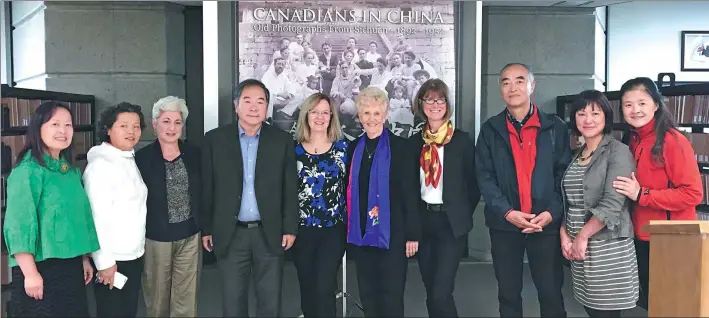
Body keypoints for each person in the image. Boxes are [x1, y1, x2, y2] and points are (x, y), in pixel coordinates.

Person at [475, 63, 570, 318]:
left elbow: (565, 175)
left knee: (550, 292)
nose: (512, 87)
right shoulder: (490, 129)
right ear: (500, 89)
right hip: (505, 224)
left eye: (519, 80)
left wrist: (552, 211)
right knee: (508, 293)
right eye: (505, 82)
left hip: (545, 223)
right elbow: (484, 176)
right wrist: (507, 212)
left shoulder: (555, 127)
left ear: (532, 86)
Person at [200, 79, 299, 317]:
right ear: (236, 106)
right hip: (231, 233)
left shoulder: (281, 140)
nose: (254, 107)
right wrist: (207, 228)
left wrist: (289, 227)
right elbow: (207, 188)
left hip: (270, 232)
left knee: (270, 303)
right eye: (247, 101)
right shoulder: (215, 140)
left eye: (260, 101)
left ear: (266, 107)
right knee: (233, 304)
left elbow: (289, 188)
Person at [612, 77, 703, 310]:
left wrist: (642, 194)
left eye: (642, 103)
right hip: (641, 236)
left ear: (656, 104)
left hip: (672, 238)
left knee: (674, 305)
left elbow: (692, 194)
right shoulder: (631, 139)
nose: (635, 110)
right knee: (655, 302)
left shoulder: (674, 141)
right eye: (628, 104)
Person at [3, 102, 99, 317]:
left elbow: (78, 217)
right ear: (38, 128)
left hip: (70, 267)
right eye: (55, 124)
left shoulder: (69, 170)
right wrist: (30, 274)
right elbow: (19, 225)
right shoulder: (28, 171)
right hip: (40, 269)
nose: (63, 131)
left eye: (68, 124)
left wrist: (83, 258)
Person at [561, 90, 639, 317]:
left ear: (606, 117)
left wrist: (582, 237)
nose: (588, 119)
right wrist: (565, 233)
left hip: (607, 244)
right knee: (590, 307)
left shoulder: (618, 152)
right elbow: (567, 199)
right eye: (581, 113)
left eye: (595, 113)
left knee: (605, 311)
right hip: (579, 245)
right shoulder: (577, 153)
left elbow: (612, 204)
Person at [346, 87, 421, 318]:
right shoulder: (352, 149)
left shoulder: (402, 147)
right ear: (359, 116)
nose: (371, 119)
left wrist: (413, 233)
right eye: (366, 113)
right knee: (368, 294)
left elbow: (410, 192)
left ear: (385, 114)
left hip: (394, 234)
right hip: (362, 233)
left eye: (376, 113)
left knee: (391, 295)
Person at [410, 79, 480, 318]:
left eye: (440, 99)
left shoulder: (461, 140)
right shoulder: (414, 143)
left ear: (447, 104)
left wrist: (460, 212)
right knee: (431, 290)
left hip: (451, 224)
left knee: (441, 291)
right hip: (424, 221)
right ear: (421, 104)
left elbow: (473, 184)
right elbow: (410, 188)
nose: (434, 104)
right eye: (429, 99)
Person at [135, 96, 202, 317]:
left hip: (189, 235)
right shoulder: (141, 158)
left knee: (186, 298)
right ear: (155, 124)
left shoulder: (194, 154)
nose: (171, 128)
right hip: (156, 237)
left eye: (177, 122)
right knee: (157, 299)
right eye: (165, 121)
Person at [83, 102, 148, 318]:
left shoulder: (127, 157)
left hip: (132, 255)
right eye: (123, 126)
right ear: (108, 129)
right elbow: (96, 218)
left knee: (127, 311)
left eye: (136, 126)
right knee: (112, 312)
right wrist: (104, 262)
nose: (131, 131)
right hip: (113, 260)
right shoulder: (101, 165)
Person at [292, 93, 348, 317]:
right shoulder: (293, 150)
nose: (320, 117)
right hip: (301, 231)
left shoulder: (344, 149)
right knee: (307, 287)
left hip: (333, 230)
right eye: (315, 112)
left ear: (331, 117)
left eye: (325, 112)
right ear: (306, 115)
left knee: (325, 287)